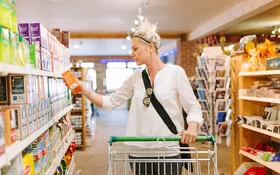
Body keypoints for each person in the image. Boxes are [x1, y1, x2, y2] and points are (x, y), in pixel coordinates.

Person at [68, 20, 203, 175]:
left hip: (168, 149)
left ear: (150, 47)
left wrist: (192, 127)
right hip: (138, 150)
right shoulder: (136, 77)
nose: (131, 53)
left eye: (135, 48)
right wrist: (84, 90)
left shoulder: (176, 73)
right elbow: (109, 102)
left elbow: (193, 107)